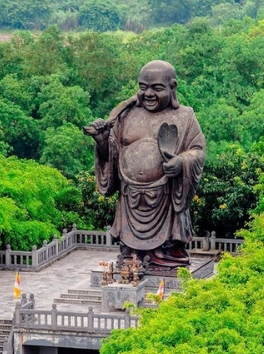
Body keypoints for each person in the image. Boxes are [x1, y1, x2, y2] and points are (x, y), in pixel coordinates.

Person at [84, 60, 205, 267]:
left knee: (166, 251)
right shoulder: (127, 114)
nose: (148, 94)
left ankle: (163, 254)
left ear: (172, 87)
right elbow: (113, 154)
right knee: (129, 256)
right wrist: (102, 141)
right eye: (143, 87)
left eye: (157, 88)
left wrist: (181, 162)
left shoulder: (185, 116)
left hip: (164, 198)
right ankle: (132, 256)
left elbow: (198, 151)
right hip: (129, 196)